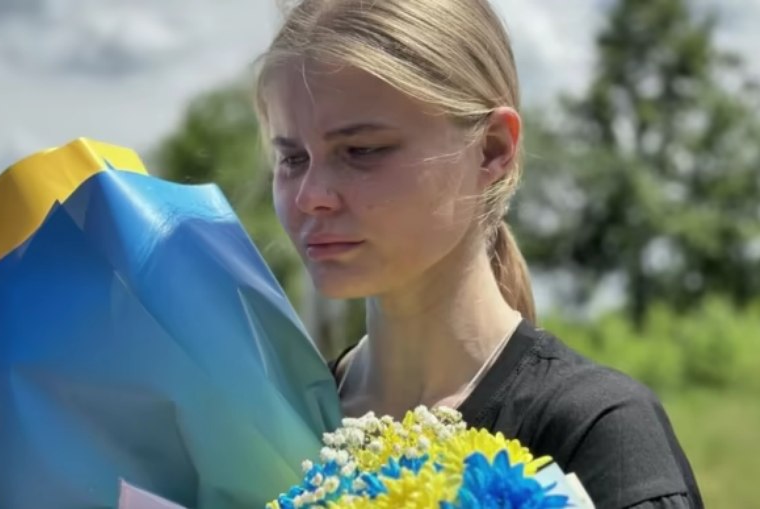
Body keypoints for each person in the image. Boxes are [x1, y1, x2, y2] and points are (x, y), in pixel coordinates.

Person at [252, 0, 703, 507]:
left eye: (362, 150)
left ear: (491, 149)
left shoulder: (595, 434)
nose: (311, 194)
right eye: (291, 158)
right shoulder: (272, 430)